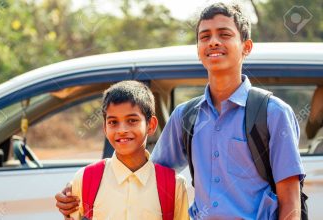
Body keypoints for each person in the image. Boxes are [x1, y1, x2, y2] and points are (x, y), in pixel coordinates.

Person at [56, 2, 304, 219]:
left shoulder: (273, 113)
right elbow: (146, 171)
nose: (213, 41)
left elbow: (290, 200)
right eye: (204, 36)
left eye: (224, 34)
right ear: (198, 49)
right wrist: (79, 185)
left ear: (246, 47)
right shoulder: (186, 117)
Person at [57, 80, 189, 220]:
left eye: (132, 120)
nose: (122, 130)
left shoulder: (174, 185)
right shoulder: (85, 179)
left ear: (151, 125)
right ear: (105, 128)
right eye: (113, 122)